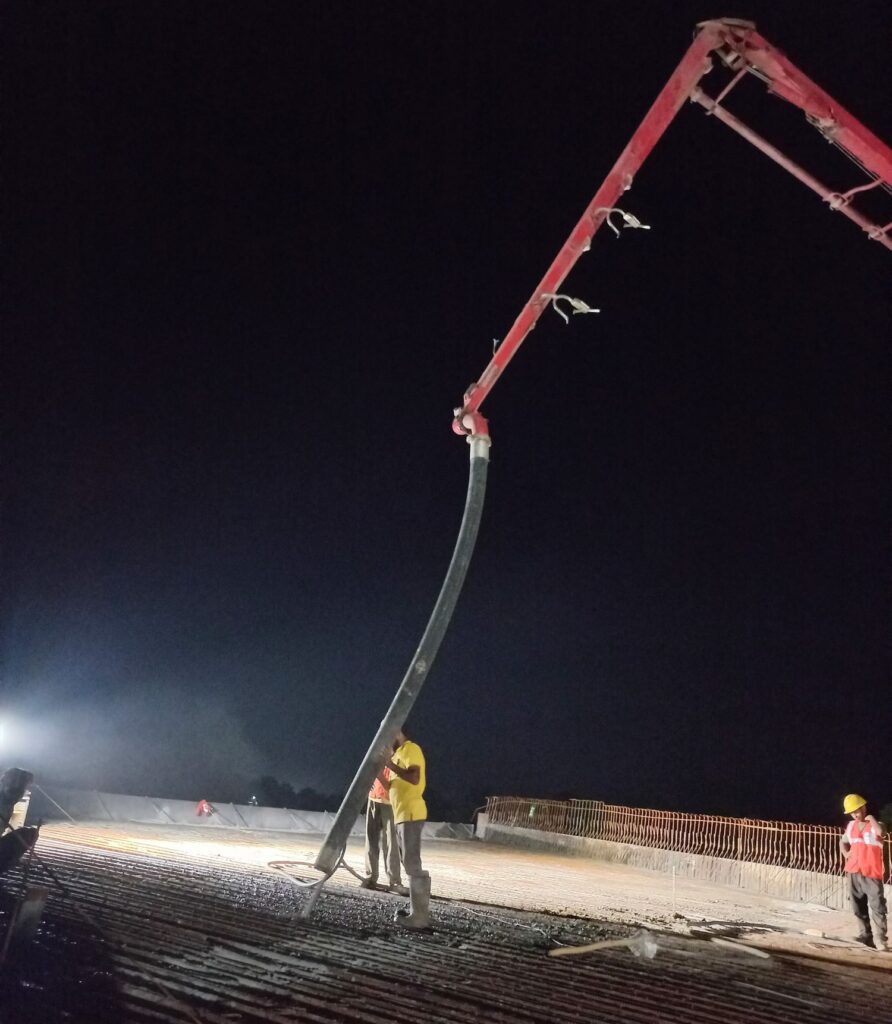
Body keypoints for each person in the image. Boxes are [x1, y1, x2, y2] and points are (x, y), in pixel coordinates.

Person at [380, 726, 431, 929]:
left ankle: (419, 917)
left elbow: (414, 777)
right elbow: (392, 787)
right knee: (408, 861)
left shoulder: (411, 749)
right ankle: (416, 911)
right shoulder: (399, 754)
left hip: (411, 813)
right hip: (402, 814)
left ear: (397, 731)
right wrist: (379, 773)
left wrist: (390, 765)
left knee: (411, 862)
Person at [840, 793, 888, 952]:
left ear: (864, 807)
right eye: (852, 812)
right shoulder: (851, 826)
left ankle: (881, 939)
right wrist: (846, 854)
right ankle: (865, 936)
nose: (855, 814)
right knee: (857, 907)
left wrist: (872, 819)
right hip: (854, 871)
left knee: (878, 907)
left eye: (857, 810)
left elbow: (881, 833)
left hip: (872, 872)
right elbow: (843, 842)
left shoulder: (877, 824)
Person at [360, 753, 408, 895]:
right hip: (373, 798)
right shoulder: (380, 751)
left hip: (390, 802)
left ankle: (394, 882)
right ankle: (370, 877)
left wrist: (379, 774)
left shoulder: (401, 757)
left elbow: (394, 785)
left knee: (391, 843)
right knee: (371, 840)